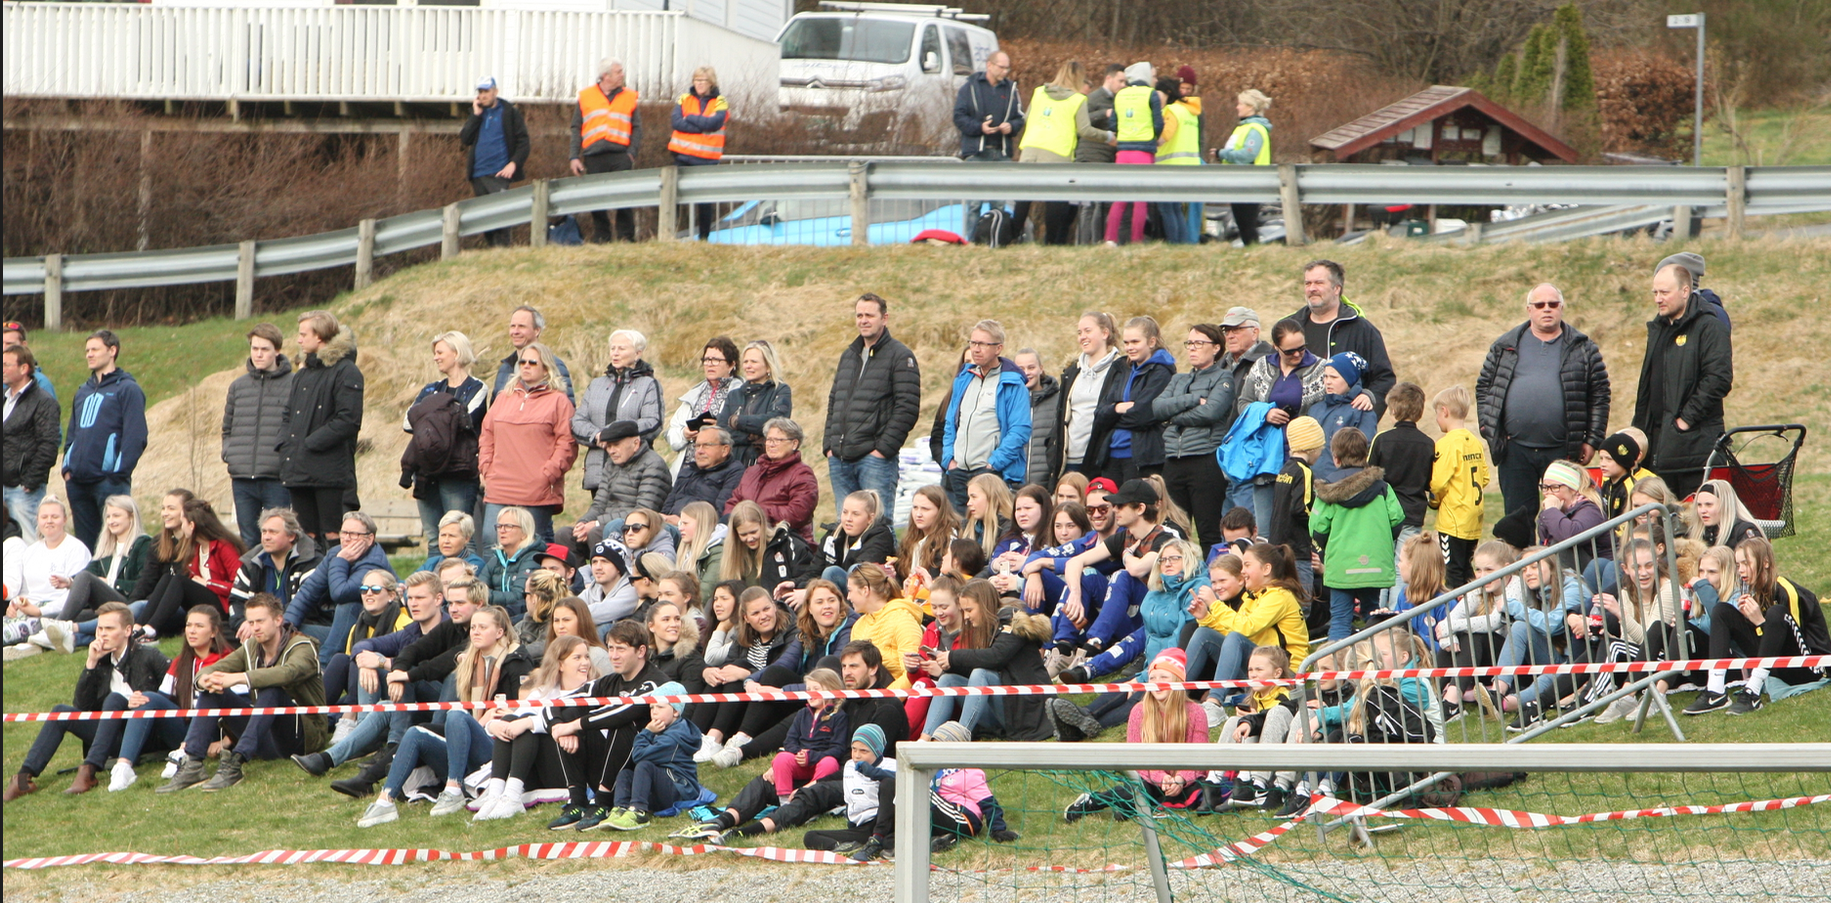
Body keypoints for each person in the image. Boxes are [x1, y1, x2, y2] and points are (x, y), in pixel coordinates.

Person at [356, 605, 533, 826]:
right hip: (474, 738)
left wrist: (492, 716)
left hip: (499, 747)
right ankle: (385, 801)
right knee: (416, 732)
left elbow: (523, 709)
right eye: (473, 627)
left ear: (499, 632)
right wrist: (400, 672)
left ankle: (453, 789)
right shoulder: (470, 660)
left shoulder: (517, 661)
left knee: (456, 714)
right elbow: (425, 660)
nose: (475, 632)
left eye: (482, 627)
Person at [158, 594, 326, 792]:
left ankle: (236, 761)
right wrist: (203, 679)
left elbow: (288, 673)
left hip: (303, 734)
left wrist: (239, 677)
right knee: (213, 691)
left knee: (272, 688)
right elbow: (215, 668)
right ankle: (193, 762)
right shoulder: (251, 646)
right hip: (264, 733)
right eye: (251, 622)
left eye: (260, 621)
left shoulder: (303, 646)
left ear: (278, 620)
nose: (255, 628)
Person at [4, 602, 166, 800]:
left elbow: (171, 696)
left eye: (109, 629)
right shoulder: (102, 660)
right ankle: (23, 778)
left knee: (115, 699)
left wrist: (142, 699)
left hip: (141, 735)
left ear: (127, 631)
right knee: (61, 711)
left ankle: (89, 770)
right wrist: (91, 663)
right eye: (100, 629)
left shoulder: (149, 656)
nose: (102, 634)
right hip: (110, 733)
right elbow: (82, 708)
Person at [1474, 284, 1611, 517]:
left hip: (1563, 450)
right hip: (1515, 451)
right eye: (1539, 305)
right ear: (1529, 309)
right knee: (1517, 521)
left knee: (1566, 518)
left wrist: (1592, 440)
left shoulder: (1584, 348)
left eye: (1553, 304)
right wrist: (1490, 430)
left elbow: (1600, 395)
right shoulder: (1504, 346)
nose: (1546, 309)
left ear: (1562, 307)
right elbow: (1485, 389)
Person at [543, 620, 669, 830]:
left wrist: (574, 725)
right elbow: (555, 704)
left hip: (646, 772)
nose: (613, 656)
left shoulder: (655, 682)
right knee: (569, 713)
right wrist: (558, 727)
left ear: (641, 651)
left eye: (621, 649)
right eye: (610, 648)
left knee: (622, 723)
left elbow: (624, 711)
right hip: (613, 767)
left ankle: (603, 802)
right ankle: (578, 802)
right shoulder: (609, 681)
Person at [469, 634, 601, 822]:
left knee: (527, 724)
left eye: (586, 657)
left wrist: (529, 723)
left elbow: (576, 722)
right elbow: (515, 718)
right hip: (539, 769)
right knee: (512, 719)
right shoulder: (544, 691)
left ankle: (512, 795)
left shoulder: (594, 690)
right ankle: (496, 794)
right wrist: (493, 725)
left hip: (572, 766)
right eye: (577, 657)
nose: (585, 662)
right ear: (560, 664)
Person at [1688, 538, 1827, 715]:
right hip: (1772, 665)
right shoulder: (1749, 591)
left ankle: (1752, 692)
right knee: (1722, 610)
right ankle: (1715, 691)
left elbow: (1794, 639)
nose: (1741, 570)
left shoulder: (1786, 590)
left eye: (1746, 563)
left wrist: (1760, 622)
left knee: (1776, 612)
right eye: (1738, 565)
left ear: (1765, 563)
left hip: (1809, 666)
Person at [1063, 649, 1206, 821]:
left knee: (1200, 791)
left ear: (1177, 681)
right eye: (1152, 678)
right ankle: (1093, 801)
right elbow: (1137, 760)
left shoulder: (1196, 712)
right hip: (1149, 777)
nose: (1157, 683)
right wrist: (1161, 778)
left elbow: (1200, 758)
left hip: (1185, 779)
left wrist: (1180, 779)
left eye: (1164, 677)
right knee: (1135, 790)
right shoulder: (1139, 711)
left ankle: (1136, 805)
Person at [1633, 263, 1733, 497]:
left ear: (1685, 291)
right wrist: (1640, 431)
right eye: (1655, 293)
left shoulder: (1709, 326)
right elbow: (1649, 387)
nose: (1658, 299)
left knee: (1694, 514)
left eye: (1664, 292)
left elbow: (1718, 378)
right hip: (1659, 447)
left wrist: (1685, 420)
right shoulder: (1658, 329)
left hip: (1694, 451)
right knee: (1661, 515)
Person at [107, 605, 231, 791]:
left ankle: (184, 754)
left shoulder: (228, 659)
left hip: (213, 732)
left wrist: (226, 741)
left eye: (199, 626)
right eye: (189, 625)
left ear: (214, 632)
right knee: (148, 699)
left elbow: (242, 707)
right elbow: (161, 700)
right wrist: (139, 700)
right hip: (183, 728)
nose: (192, 631)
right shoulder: (180, 662)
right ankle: (123, 766)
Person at [1183, 542, 1310, 720]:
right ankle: (1171, 696)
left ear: (1266, 569)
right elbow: (1231, 634)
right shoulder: (1253, 596)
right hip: (1259, 665)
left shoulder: (1279, 596)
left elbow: (1245, 628)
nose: (1242, 571)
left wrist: (1215, 604)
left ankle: (1214, 703)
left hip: (1285, 672)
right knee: (1204, 634)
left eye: (1247, 565)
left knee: (1236, 637)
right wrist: (1205, 617)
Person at [824, 293, 922, 518]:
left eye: (869, 315)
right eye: (859, 315)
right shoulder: (848, 356)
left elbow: (907, 408)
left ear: (884, 318)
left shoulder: (900, 356)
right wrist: (829, 446)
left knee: (878, 526)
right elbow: (834, 401)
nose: (863, 320)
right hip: (839, 459)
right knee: (846, 526)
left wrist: (882, 450)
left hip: (874, 460)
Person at [1230, 319, 1331, 530]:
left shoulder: (1321, 368)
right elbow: (1243, 402)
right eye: (1290, 351)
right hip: (1266, 459)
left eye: (1302, 348)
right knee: (1266, 529)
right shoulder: (1261, 366)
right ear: (1276, 347)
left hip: (1305, 461)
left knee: (1303, 526)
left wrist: (1366, 395)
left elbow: (1346, 389)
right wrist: (1265, 414)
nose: (1297, 354)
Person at [275, 311, 363, 551]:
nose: (299, 340)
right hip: (298, 468)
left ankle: (334, 574)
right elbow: (288, 414)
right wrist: (285, 444)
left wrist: (310, 443)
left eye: (304, 334)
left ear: (321, 336)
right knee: (306, 535)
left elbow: (348, 420)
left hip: (329, 471)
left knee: (332, 534)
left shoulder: (346, 371)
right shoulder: (303, 374)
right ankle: (308, 574)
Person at [480, 341, 577, 547]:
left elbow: (567, 443)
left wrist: (547, 474)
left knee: (530, 545)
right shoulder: (503, 397)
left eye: (532, 362)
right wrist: (487, 467)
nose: (525, 366)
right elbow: (487, 434)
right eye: (522, 362)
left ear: (546, 368)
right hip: (499, 485)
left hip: (537, 490)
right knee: (491, 540)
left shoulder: (559, 401)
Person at [1311, 428, 1404, 640]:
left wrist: (1327, 546)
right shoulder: (1382, 488)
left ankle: (1340, 661)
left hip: (1341, 566)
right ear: (1366, 455)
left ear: (1335, 458)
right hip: (1374, 564)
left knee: (1340, 619)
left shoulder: (1327, 491)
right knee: (1373, 615)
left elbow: (1318, 528)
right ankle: (1377, 658)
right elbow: (1397, 520)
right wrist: (1381, 539)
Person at [403, 330, 488, 556]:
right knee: (434, 540)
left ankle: (465, 578)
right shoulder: (431, 388)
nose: (435, 357)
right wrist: (446, 415)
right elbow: (408, 422)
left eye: (440, 352)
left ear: (456, 353)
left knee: (462, 537)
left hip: (458, 473)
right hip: (425, 472)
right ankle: (435, 579)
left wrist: (429, 417)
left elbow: (466, 421)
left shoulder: (477, 388)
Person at [61, 329, 148, 549]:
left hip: (109, 483)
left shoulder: (128, 389)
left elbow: (136, 436)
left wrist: (118, 472)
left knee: (116, 545)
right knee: (86, 549)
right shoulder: (83, 391)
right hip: (78, 483)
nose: (89, 354)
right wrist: (67, 468)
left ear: (112, 351)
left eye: (95, 349)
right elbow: (72, 432)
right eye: (87, 350)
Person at [1013, 60, 1114, 244]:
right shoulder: (1077, 99)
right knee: (1055, 199)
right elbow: (1085, 130)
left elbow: (1027, 118)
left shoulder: (1039, 92)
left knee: (1023, 197)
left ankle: (1011, 237)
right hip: (1057, 151)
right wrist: (1108, 136)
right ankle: (1051, 243)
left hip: (1030, 149)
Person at [217, 323, 297, 548]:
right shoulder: (238, 387)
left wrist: (286, 460)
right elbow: (227, 428)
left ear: (277, 350)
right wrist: (229, 454)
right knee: (248, 540)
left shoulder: (294, 384)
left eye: (265, 349)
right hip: (242, 477)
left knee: (277, 539)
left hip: (276, 477)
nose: (258, 354)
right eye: (255, 348)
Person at [1154, 323, 1232, 550]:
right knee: (1173, 531)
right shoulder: (1178, 379)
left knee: (1208, 530)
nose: (1192, 348)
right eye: (1189, 343)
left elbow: (1211, 412)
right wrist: (1193, 400)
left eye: (1199, 343)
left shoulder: (1223, 378)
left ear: (1216, 348)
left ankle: (1213, 571)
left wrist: (1173, 417)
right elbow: (1157, 408)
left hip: (1205, 459)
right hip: (1174, 460)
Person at [938, 319, 1030, 507]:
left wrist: (993, 465)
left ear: (998, 348)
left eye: (982, 344)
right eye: (973, 343)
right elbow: (950, 424)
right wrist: (950, 460)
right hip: (959, 472)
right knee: (963, 525)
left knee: (991, 525)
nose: (976, 349)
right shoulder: (964, 379)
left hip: (990, 474)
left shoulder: (1012, 383)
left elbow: (1020, 430)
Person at [282, 510, 393, 659]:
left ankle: (324, 664)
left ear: (369, 538)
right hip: (337, 629)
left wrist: (340, 561)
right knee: (291, 631)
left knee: (348, 605)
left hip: (371, 633)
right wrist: (285, 627)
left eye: (354, 534)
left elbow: (340, 593)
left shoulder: (373, 561)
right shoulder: (336, 553)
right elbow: (308, 591)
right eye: (344, 532)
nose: (346, 538)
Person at [1289, 260, 1394, 417]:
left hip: (1344, 426)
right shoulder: (1291, 328)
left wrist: (1369, 400)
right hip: (1296, 426)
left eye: (1319, 283)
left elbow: (1384, 378)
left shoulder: (1361, 329)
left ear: (1336, 288)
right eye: (1307, 283)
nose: (1312, 288)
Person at [56, 495, 156, 647]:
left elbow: (143, 585)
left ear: (131, 517)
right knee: (61, 616)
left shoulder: (143, 544)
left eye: (116, 516)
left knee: (85, 578)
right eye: (108, 516)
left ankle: (58, 626)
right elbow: (91, 569)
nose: (111, 521)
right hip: (106, 606)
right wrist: (69, 581)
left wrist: (111, 583)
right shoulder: (107, 546)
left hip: (128, 604)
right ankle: (47, 634)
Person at [137, 497, 241, 641]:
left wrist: (208, 584)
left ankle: (151, 629)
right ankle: (139, 626)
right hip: (206, 601)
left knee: (180, 581)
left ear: (191, 525)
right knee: (168, 578)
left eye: (183, 522)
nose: (182, 526)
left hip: (224, 606)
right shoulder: (197, 548)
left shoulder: (224, 547)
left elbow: (238, 586)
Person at [1087, 316, 1176, 484]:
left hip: (1142, 459)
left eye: (1135, 342)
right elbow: (1099, 414)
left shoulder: (1161, 372)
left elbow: (1142, 416)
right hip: (1111, 456)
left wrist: (1112, 416)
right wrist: (1117, 408)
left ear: (1151, 342)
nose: (1129, 347)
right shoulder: (1121, 368)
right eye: (1126, 343)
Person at [570, 57, 642, 243]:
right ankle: (602, 237)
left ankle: (626, 237)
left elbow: (637, 127)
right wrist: (574, 157)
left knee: (624, 197)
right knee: (596, 199)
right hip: (593, 155)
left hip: (621, 155)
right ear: (605, 76)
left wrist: (631, 153)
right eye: (618, 72)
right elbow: (576, 127)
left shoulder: (629, 96)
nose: (622, 75)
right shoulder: (586, 96)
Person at [457, 75, 531, 247]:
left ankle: (503, 250)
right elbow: (465, 139)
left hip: (499, 172)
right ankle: (492, 250)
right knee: (485, 218)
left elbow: (523, 141)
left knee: (501, 215)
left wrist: (513, 163)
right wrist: (476, 115)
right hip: (478, 173)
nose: (483, 95)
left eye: (486, 91)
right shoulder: (477, 113)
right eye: (480, 92)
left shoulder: (509, 112)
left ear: (495, 92)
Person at [572, 420, 672, 545]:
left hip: (634, 528)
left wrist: (598, 523)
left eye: (616, 445)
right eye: (608, 446)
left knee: (596, 532)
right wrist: (583, 522)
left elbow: (643, 511)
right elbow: (599, 504)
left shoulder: (653, 464)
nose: (611, 451)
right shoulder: (611, 464)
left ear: (636, 443)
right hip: (606, 523)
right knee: (565, 535)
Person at [1431, 385, 1491, 588]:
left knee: (1451, 571)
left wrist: (1433, 501)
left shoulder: (1446, 444)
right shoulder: (1473, 441)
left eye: (1436, 414)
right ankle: (1475, 603)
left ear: (1444, 411)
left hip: (1453, 519)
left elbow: (1438, 482)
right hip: (1474, 518)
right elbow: (1484, 477)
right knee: (1466, 568)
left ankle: (1455, 607)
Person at [725, 418, 819, 544]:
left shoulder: (802, 474)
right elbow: (734, 501)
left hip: (785, 543)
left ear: (794, 444)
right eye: (769, 440)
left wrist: (757, 513)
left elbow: (798, 513)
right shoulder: (752, 471)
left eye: (778, 440)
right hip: (746, 540)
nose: (771, 444)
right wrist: (733, 519)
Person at [4, 342, 61, 545]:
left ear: (24, 368)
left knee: (29, 542)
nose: (2, 369)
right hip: (4, 483)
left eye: (6, 365)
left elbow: (49, 445)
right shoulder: (5, 399)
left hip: (23, 490)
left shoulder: (43, 402)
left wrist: (29, 482)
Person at [1366, 383, 1433, 552]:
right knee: (1406, 561)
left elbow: (1368, 477)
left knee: (1383, 559)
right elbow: (1429, 482)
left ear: (1394, 410)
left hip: (1384, 513)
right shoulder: (1428, 443)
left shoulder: (1382, 440)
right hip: (1412, 514)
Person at [1103, 62, 1164, 246]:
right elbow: (1158, 123)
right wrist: (1152, 137)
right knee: (1140, 199)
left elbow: (1113, 124)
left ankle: (1110, 239)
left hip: (1123, 151)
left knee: (1120, 197)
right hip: (1143, 151)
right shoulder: (1151, 94)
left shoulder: (1121, 94)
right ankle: (1136, 240)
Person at [1055, 312, 1122, 479]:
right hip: (1069, 461)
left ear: (1105, 333)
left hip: (1102, 460)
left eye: (1087, 331)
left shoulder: (1121, 370)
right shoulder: (1072, 372)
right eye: (1079, 333)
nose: (1082, 337)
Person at [230, 508, 319, 632]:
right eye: (264, 531)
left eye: (273, 532)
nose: (266, 537)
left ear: (291, 536)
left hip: (300, 627)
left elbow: (305, 605)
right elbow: (237, 601)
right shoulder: (251, 562)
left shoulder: (310, 561)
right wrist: (245, 623)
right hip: (257, 629)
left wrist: (267, 624)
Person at [670, 66, 729, 240]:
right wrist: (702, 127)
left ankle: (703, 239)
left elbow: (714, 123)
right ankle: (670, 236)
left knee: (704, 203)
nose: (699, 84)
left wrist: (690, 117)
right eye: (697, 80)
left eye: (703, 80)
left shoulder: (720, 101)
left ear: (711, 82)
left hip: (707, 160)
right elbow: (676, 122)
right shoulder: (684, 99)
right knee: (674, 199)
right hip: (682, 156)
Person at [664, 337, 740, 472]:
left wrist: (720, 428)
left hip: (720, 471)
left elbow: (743, 433)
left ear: (731, 365)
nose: (710, 364)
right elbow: (671, 432)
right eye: (706, 360)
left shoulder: (740, 394)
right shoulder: (694, 394)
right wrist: (684, 434)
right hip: (687, 470)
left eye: (716, 360)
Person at [718, 340, 792, 468]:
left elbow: (776, 422)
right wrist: (750, 436)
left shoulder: (780, 390)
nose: (748, 366)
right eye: (746, 362)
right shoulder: (734, 395)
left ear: (768, 366)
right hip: (732, 464)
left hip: (764, 464)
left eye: (754, 362)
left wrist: (738, 421)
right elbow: (722, 431)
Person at [1268, 419, 1322, 593]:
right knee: (1302, 597)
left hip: (1277, 546)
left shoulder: (1285, 469)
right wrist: (1318, 522)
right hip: (1296, 549)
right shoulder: (1304, 471)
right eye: (1320, 449)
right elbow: (1301, 508)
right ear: (1312, 448)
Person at [1214, 89, 1273, 244]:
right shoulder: (1243, 128)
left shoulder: (1255, 129)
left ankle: (1253, 250)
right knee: (1243, 223)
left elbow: (1248, 154)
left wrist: (1223, 154)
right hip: (1241, 181)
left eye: (1240, 104)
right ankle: (1252, 250)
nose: (1237, 107)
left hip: (1250, 182)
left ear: (1250, 107)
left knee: (1247, 224)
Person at [1536, 459, 1610, 573]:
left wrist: (1551, 511)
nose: (1548, 493)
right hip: (1577, 568)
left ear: (1573, 489)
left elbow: (1571, 536)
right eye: (1545, 487)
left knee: (1560, 545)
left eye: (1555, 487)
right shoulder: (1555, 511)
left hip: (1597, 571)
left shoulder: (1591, 508)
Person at [1152, 77, 1201, 245]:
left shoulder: (1172, 110)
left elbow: (1163, 137)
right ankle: (1183, 243)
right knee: (1176, 208)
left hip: (1170, 166)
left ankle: (1174, 243)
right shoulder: (1190, 112)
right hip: (1189, 166)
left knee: (1167, 208)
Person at [491, 306, 575, 404]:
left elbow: (566, 407)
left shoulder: (553, 365)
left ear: (537, 331)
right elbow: (494, 408)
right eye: (513, 326)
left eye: (522, 326)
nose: (515, 331)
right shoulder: (505, 368)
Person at [662, 426, 746, 521]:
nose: (700, 451)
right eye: (697, 446)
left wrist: (682, 523)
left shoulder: (734, 472)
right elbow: (667, 507)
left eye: (707, 445)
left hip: (702, 527)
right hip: (671, 524)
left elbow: (721, 513)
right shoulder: (687, 472)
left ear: (725, 450)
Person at [954, 51, 1023, 161]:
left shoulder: (1011, 89)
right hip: (976, 154)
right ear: (989, 65)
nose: (1005, 72)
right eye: (1001, 67)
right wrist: (980, 127)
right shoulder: (970, 87)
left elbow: (1020, 118)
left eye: (1007, 68)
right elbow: (959, 117)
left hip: (1002, 154)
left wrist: (1011, 126)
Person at [478, 506, 543, 617]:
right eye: (499, 526)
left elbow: (518, 596)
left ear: (524, 532)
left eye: (508, 526)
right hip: (497, 615)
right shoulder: (496, 559)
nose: (502, 530)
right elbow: (478, 588)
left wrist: (483, 595)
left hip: (521, 616)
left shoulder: (533, 559)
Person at [896, 484, 959, 597]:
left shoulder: (948, 540)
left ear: (940, 512)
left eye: (925, 509)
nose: (918, 514)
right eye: (915, 508)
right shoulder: (909, 540)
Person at [1013, 349, 1062, 487]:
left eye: (1031, 367)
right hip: (1014, 485)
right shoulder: (1008, 401)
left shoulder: (1058, 400)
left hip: (1046, 484)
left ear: (1041, 368)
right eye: (1021, 369)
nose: (1026, 373)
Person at [1691, 478, 1763, 549]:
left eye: (1709, 505)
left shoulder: (1744, 531)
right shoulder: (1699, 532)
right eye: (1699, 505)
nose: (1702, 510)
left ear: (1725, 505)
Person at [673, 501, 727, 589]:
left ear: (702, 524)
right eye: (680, 524)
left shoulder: (718, 552)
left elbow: (707, 590)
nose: (680, 528)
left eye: (685, 523)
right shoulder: (685, 549)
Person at [417, 511, 483, 575]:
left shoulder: (474, 564)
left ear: (466, 539)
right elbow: (412, 581)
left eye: (452, 536)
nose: (446, 541)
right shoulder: (431, 563)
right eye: (443, 535)